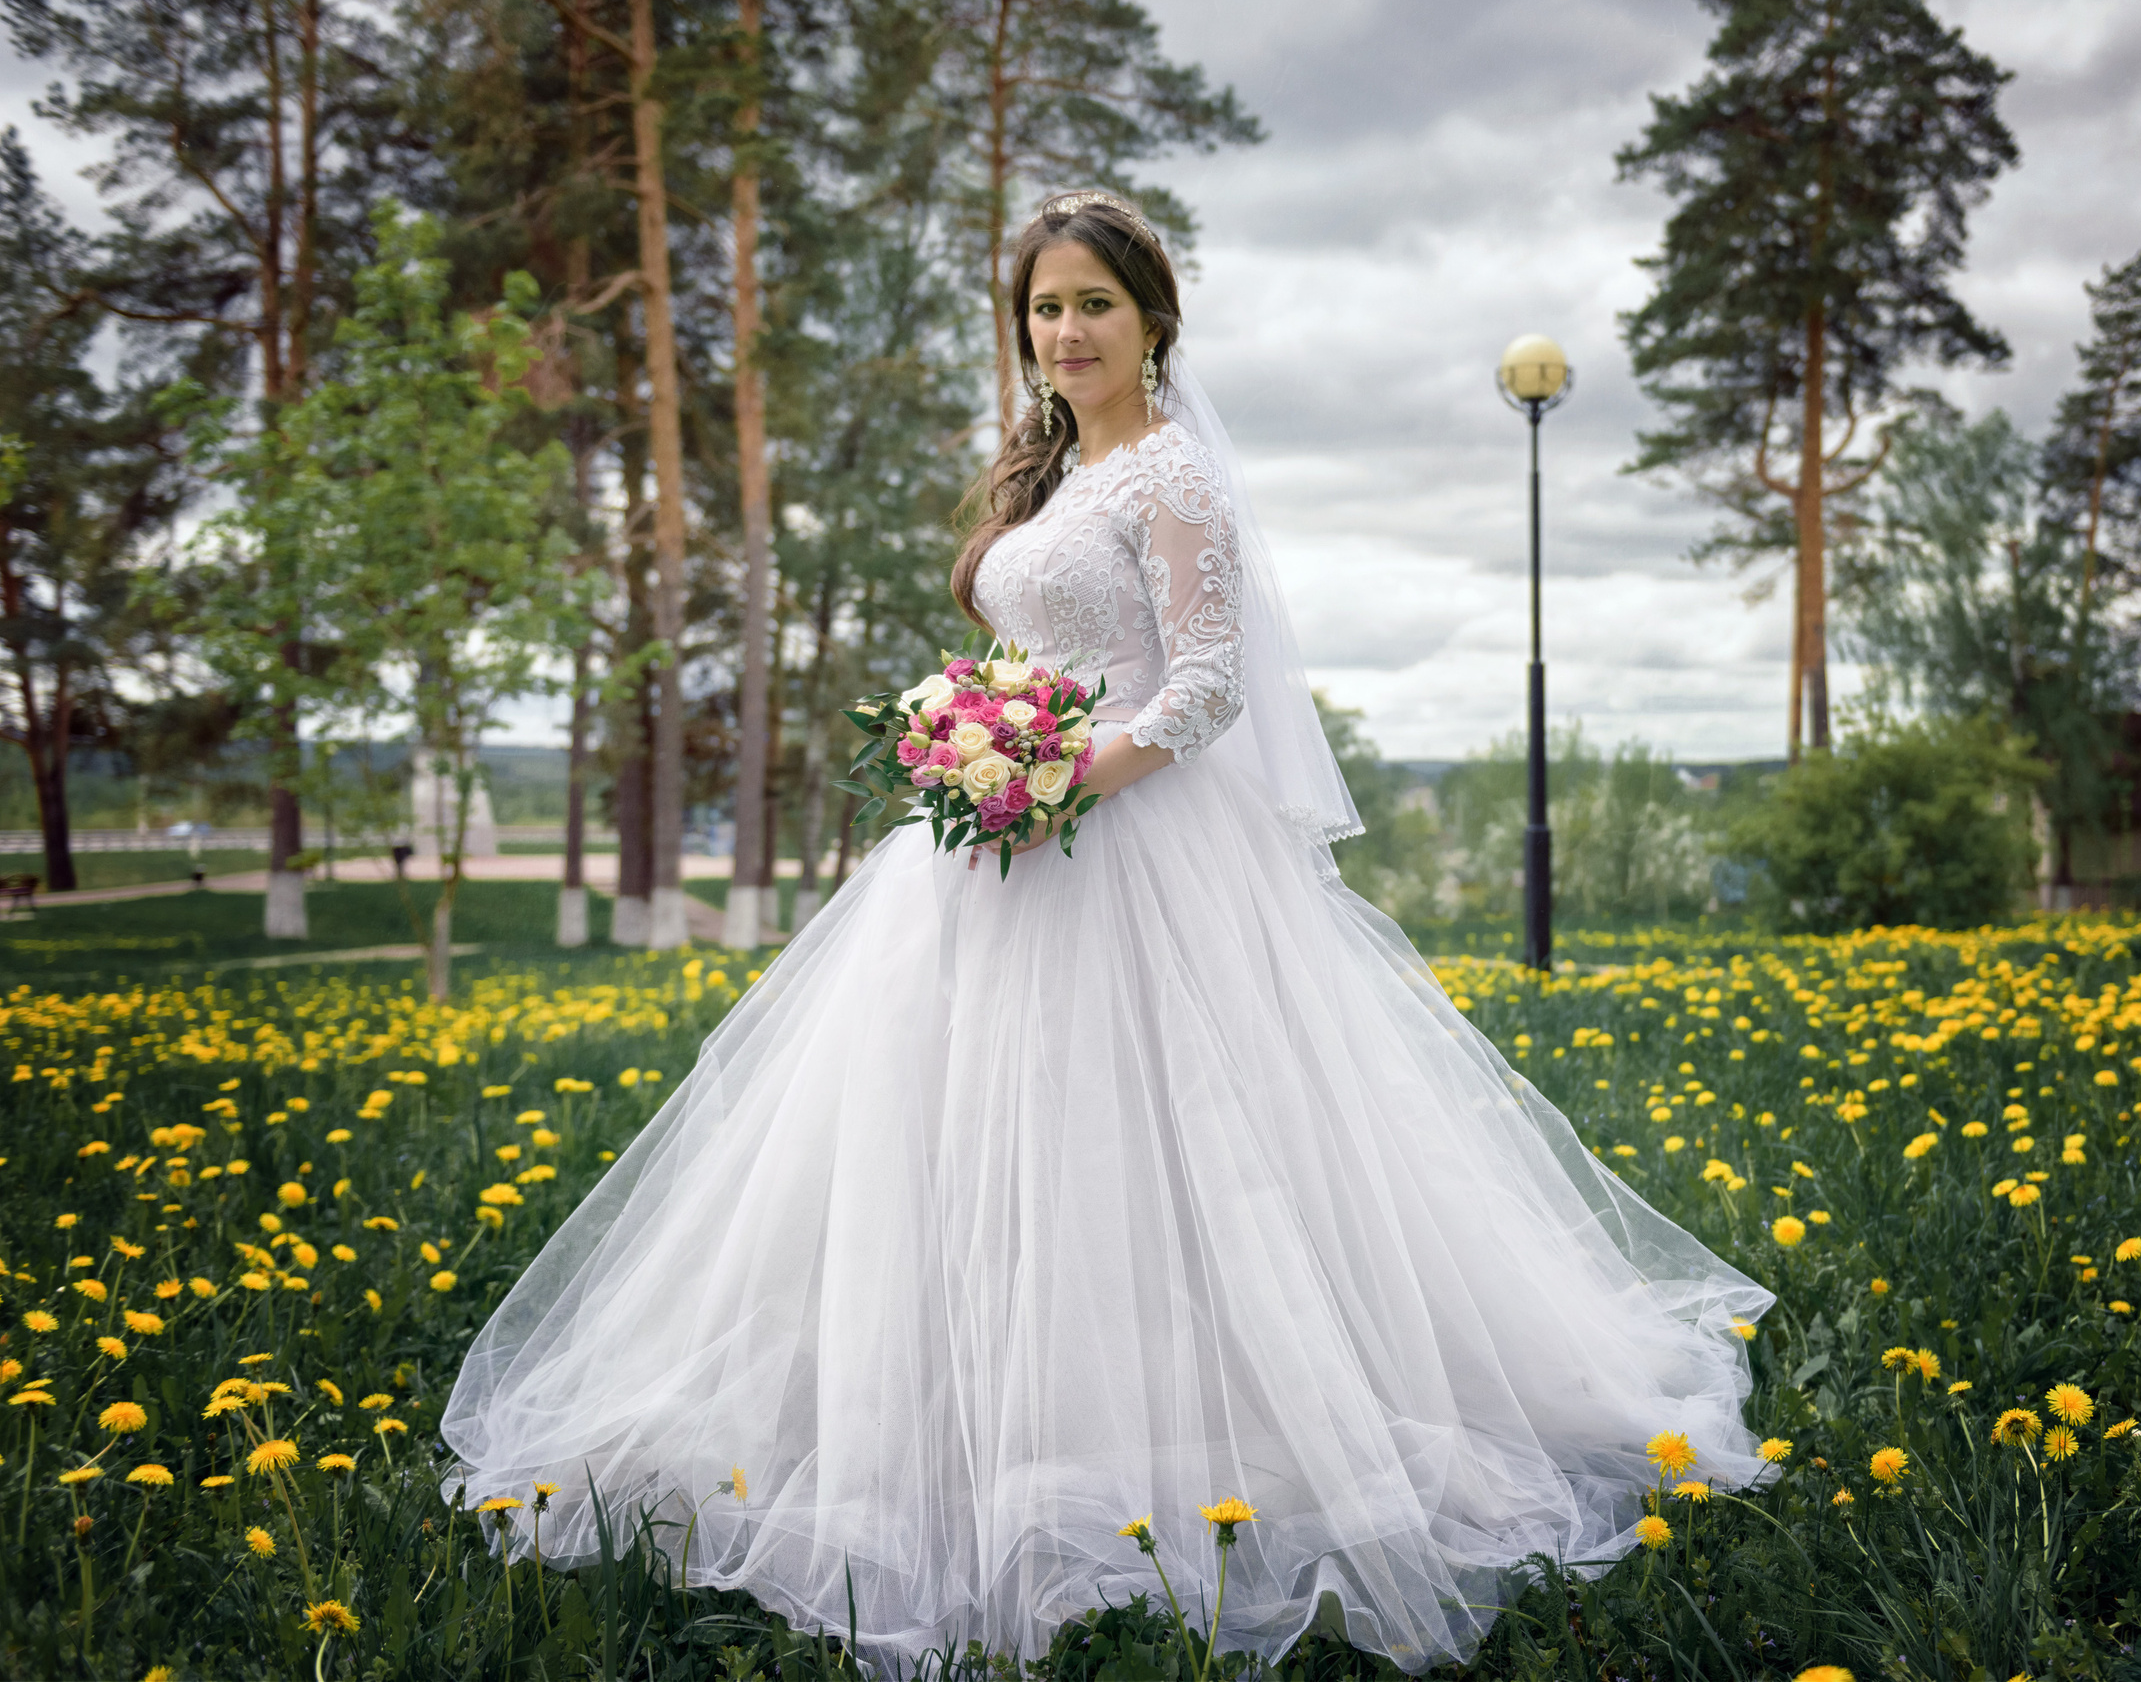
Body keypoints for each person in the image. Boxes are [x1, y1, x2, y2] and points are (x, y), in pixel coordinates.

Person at [440, 190, 1773, 1676]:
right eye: (1043, 310)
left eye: (1093, 306)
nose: (1064, 333)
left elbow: (1205, 688)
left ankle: (1192, 1447)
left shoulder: (1174, 477)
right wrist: (979, 740)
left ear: (1153, 320)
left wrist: (1052, 775)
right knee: (957, 1150)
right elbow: (1042, 649)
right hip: (994, 857)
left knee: (1160, 1153)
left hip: (1135, 848)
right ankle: (952, 1436)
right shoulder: (1061, 473)